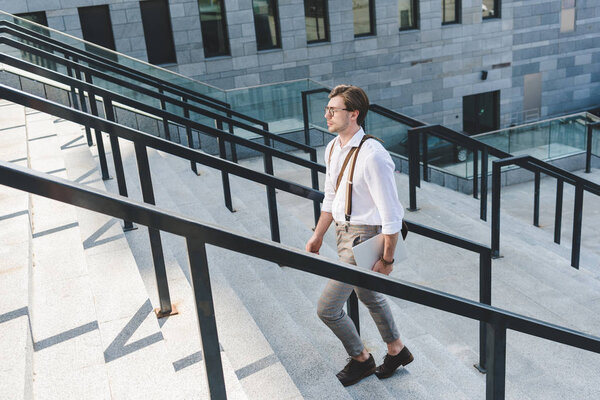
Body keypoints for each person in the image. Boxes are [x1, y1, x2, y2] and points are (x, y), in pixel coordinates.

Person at [305, 84, 413, 387]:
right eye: (326, 109)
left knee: (327, 308)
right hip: (342, 233)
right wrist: (317, 236)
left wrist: (388, 260)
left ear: (354, 114)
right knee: (368, 294)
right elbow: (330, 197)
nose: (326, 114)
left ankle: (361, 359)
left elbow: (392, 216)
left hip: (363, 239)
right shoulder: (332, 147)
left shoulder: (373, 155)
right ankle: (397, 350)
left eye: (333, 109)